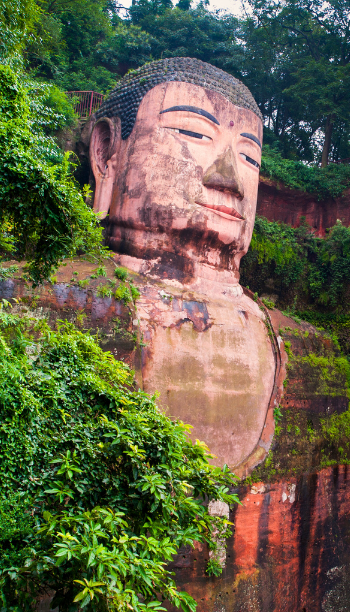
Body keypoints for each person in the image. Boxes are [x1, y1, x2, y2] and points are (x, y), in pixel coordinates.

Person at [88, 57, 276, 471]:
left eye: (250, 159)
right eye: (192, 132)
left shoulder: (287, 338)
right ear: (106, 154)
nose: (227, 176)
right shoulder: (60, 306)